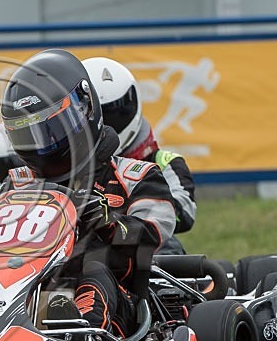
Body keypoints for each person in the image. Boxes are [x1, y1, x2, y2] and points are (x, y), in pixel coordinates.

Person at [0, 49, 176, 337]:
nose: (41, 147)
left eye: (49, 131)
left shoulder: (136, 177)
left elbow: (153, 235)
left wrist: (109, 224)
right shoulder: (17, 183)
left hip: (119, 295)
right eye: (29, 136)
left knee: (94, 267)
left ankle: (85, 336)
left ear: (84, 108)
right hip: (23, 291)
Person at [82, 57, 197, 254]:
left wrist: (123, 211)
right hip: (74, 244)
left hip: (139, 248)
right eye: (92, 117)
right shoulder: (65, 165)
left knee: (168, 248)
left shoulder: (165, 162)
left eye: (111, 115)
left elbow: (184, 214)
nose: (102, 126)